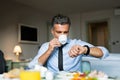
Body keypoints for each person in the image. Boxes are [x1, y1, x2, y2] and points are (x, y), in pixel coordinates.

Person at [28, 14, 109, 73]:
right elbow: (33, 66)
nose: (62, 35)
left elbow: (104, 52)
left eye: (65, 32)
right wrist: (49, 50)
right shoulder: (46, 46)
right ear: (52, 31)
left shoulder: (77, 44)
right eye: (59, 32)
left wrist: (85, 49)